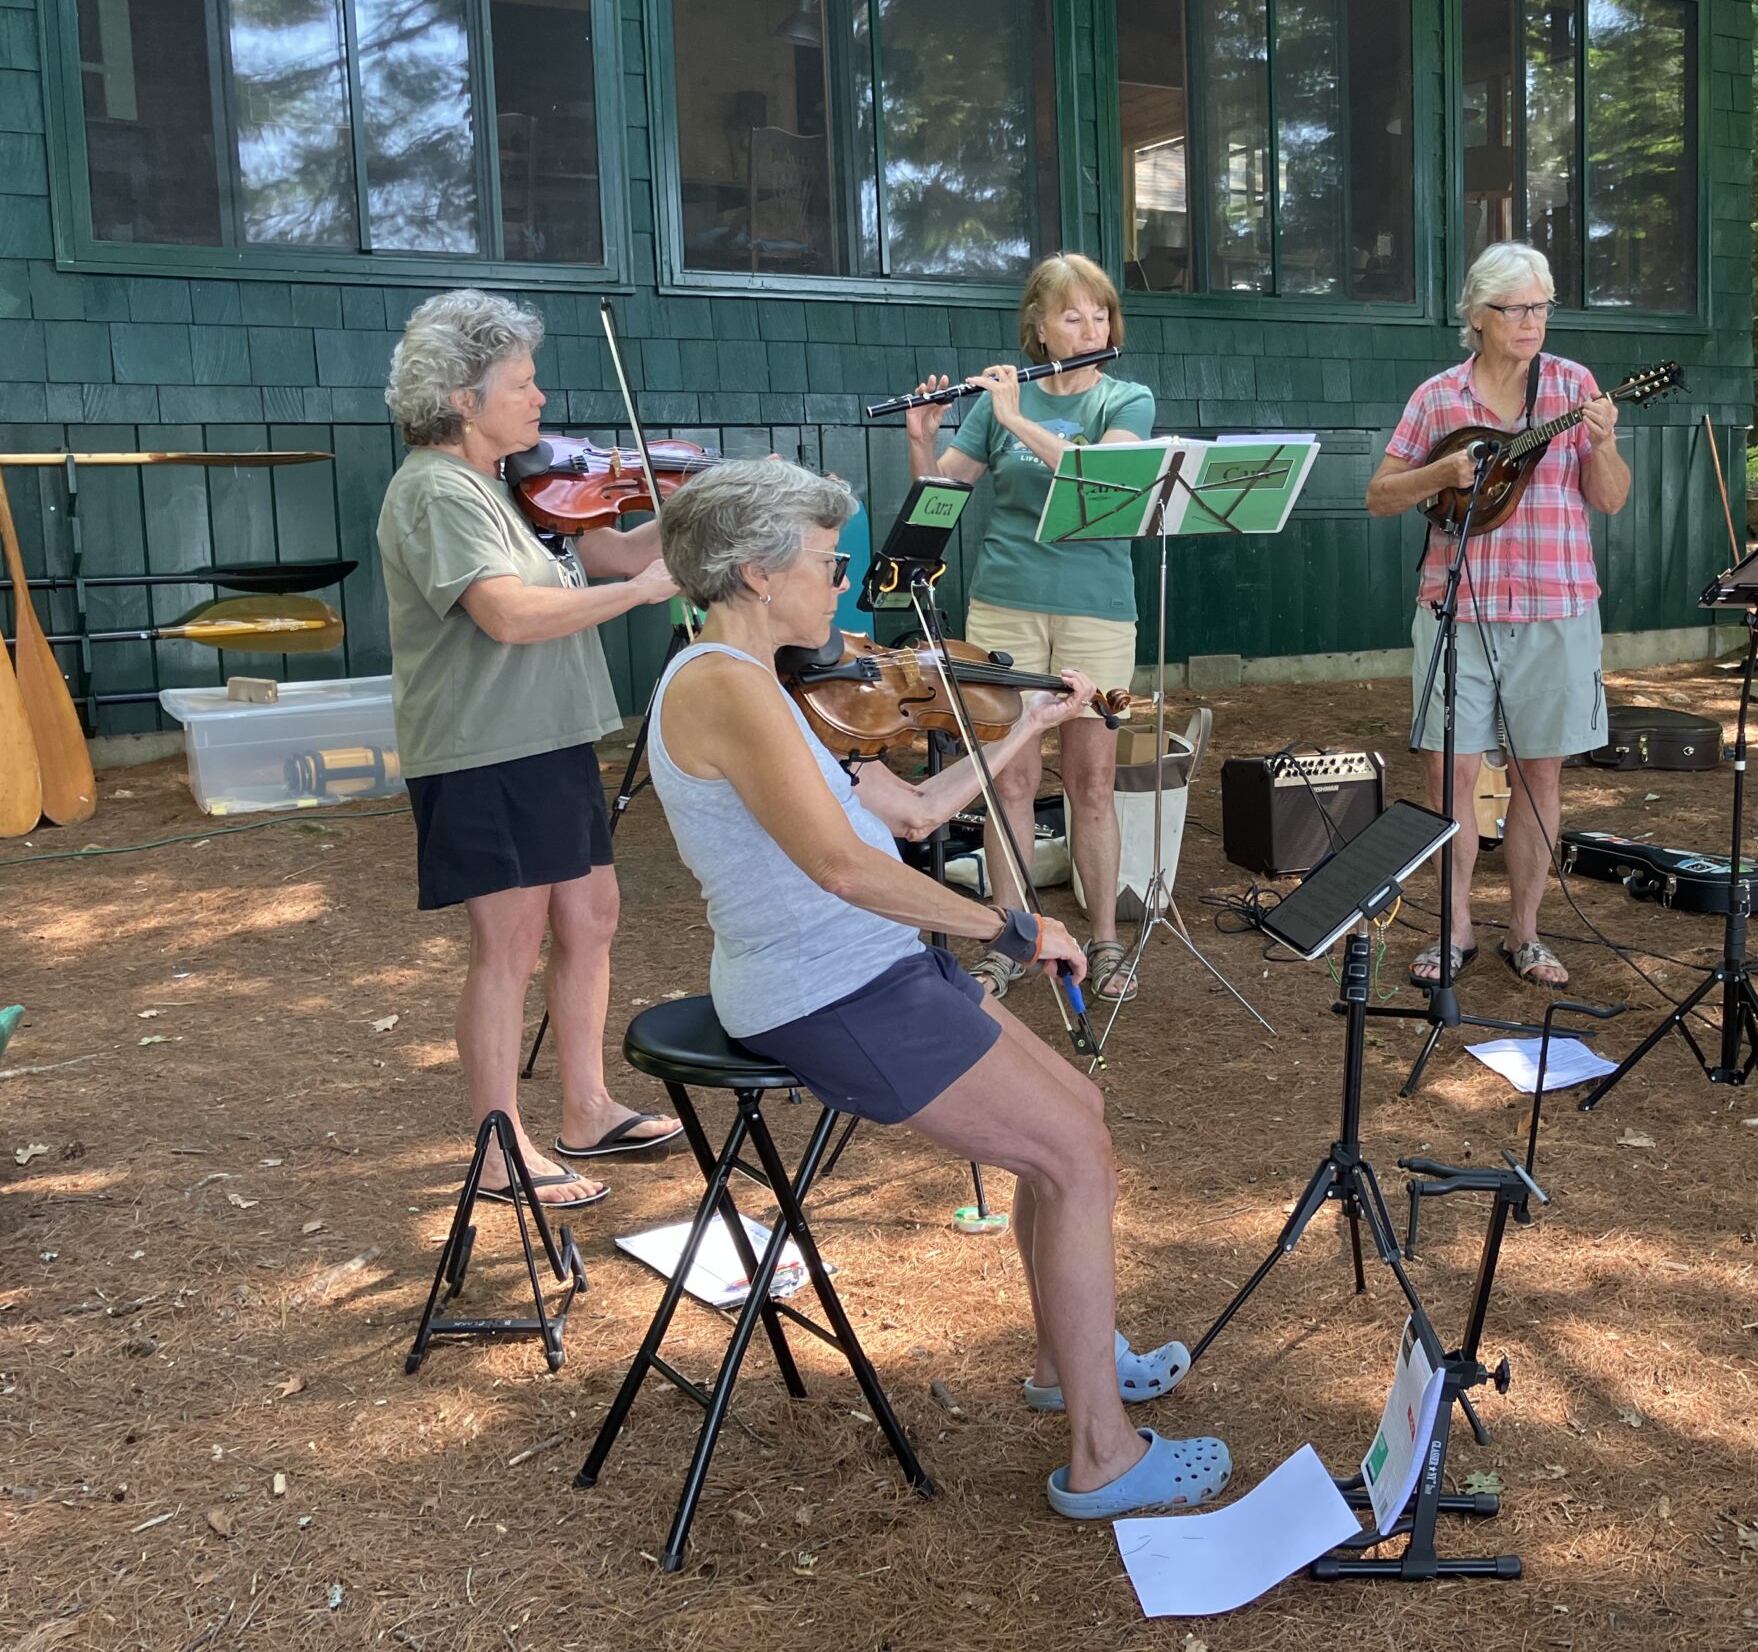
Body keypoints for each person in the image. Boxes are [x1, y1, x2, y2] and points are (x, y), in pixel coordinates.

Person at [646, 458, 1228, 1520]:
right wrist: (1008, 923)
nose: (842, 582)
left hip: (868, 967)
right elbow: (844, 869)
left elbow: (909, 816)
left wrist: (1026, 730)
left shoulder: (762, 681)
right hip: (829, 990)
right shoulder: (726, 687)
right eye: (829, 563)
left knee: (1078, 1119)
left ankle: (1066, 1363)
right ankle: (1103, 1457)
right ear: (758, 570)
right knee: (1072, 1155)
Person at [376, 290, 686, 1211]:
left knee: (591, 917)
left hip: (548, 738)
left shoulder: (510, 486)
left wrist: (700, 506)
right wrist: (643, 595)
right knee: (507, 943)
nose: (540, 397)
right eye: (522, 382)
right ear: (462, 399)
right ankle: (498, 1148)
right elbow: (507, 614)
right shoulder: (436, 491)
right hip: (484, 748)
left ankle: (586, 1109)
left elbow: (617, 554)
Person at [1365, 242, 1631, 990]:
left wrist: (1605, 443)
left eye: (1541, 306)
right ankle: (1452, 930)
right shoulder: (1438, 398)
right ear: (1477, 316)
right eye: (1516, 308)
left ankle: (1525, 933)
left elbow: (1610, 499)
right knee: (1449, 774)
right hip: (1456, 611)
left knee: (1538, 777)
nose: (1531, 321)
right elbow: (1380, 496)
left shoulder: (1573, 386)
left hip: (1556, 607)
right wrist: (1439, 472)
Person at [903, 254, 1154, 1005]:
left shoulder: (1125, 399)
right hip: (1005, 602)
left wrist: (1017, 419)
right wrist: (922, 438)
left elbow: (1100, 478)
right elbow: (939, 501)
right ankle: (1011, 939)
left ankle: (1105, 940)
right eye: (1072, 316)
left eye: (1100, 315)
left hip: (1096, 605)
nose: (1090, 329)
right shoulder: (996, 405)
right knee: (1009, 778)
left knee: (1092, 781)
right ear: (1039, 328)